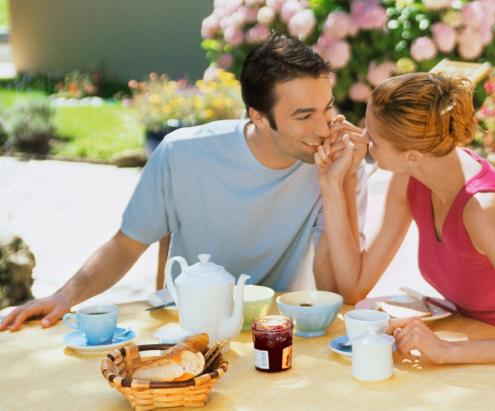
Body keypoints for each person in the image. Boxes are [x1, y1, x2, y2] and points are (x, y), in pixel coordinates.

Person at [0, 34, 367, 332]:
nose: (324, 129)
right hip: (192, 326)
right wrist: (64, 297)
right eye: (304, 116)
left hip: (275, 329)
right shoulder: (183, 153)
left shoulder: (337, 166)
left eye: (327, 108)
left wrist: (338, 184)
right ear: (258, 116)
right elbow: (125, 245)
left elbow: (334, 289)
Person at [314, 72, 495, 411]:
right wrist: (337, 183)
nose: (362, 140)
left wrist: (446, 351)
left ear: (411, 155)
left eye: (372, 139)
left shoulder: (483, 212)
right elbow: (353, 286)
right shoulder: (410, 179)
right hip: (472, 357)